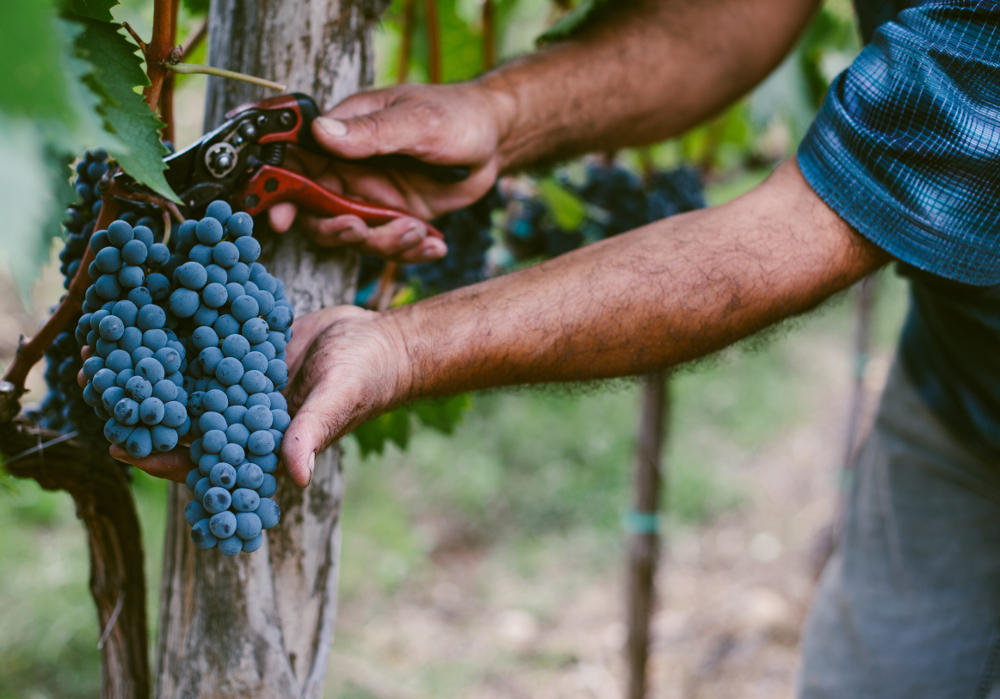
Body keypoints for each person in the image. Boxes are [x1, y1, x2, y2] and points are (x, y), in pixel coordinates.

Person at [122, 0, 1000, 696]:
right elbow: (735, 14)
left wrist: (406, 348)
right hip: (959, 385)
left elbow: (788, 238)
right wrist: (500, 115)